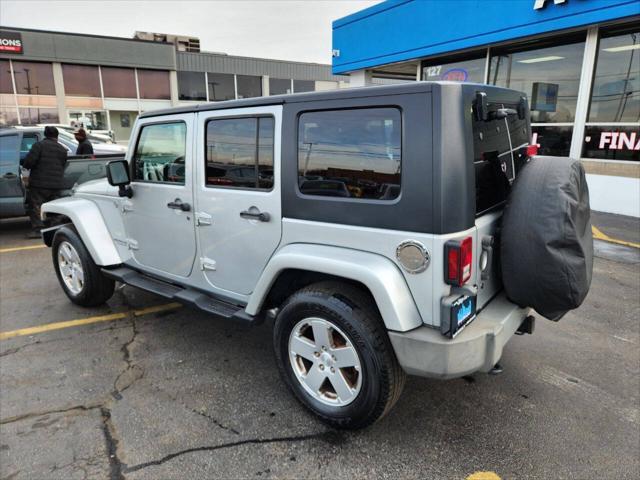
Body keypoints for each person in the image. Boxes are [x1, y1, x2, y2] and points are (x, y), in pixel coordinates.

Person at [23, 126, 68, 238]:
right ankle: (55, 229)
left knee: (36, 206)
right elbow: (63, 165)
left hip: (39, 184)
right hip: (56, 184)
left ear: (45, 135)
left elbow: (29, 162)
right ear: (57, 136)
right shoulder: (62, 149)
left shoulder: (39, 146)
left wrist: (25, 165)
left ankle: (38, 230)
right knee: (54, 207)